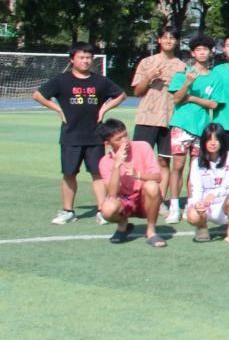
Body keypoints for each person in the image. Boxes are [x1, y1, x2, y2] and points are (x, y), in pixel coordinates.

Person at [34, 42, 125, 224]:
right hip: (71, 135)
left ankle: (102, 210)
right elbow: (38, 95)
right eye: (81, 57)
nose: (85, 61)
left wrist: (104, 109)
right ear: (72, 59)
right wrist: (58, 110)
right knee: (69, 173)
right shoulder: (62, 80)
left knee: (97, 174)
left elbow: (121, 95)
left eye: (88, 57)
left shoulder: (100, 81)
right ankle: (68, 211)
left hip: (95, 136)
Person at [166, 34, 221, 223]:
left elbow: (214, 104)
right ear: (193, 53)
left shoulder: (214, 77)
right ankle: (174, 206)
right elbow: (176, 99)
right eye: (198, 49)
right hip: (181, 125)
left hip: (202, 128)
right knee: (178, 166)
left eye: (205, 49)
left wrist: (192, 98)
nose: (202, 52)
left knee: (196, 169)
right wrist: (188, 83)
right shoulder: (183, 74)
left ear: (211, 52)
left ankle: (191, 203)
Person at [129, 26, 185, 199]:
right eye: (165, 37)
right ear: (159, 40)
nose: (168, 40)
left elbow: (182, 95)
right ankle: (137, 198)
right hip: (147, 118)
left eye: (172, 37)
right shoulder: (147, 62)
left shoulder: (182, 66)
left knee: (164, 161)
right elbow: (137, 92)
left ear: (177, 41)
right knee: (139, 160)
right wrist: (149, 76)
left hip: (170, 119)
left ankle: (159, 201)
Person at [96, 118, 165, 247]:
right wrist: (117, 165)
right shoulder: (105, 162)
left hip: (144, 199)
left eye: (125, 135)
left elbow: (158, 177)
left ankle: (151, 231)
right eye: (118, 139)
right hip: (125, 201)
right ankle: (123, 224)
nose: (125, 141)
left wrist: (138, 175)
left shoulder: (143, 146)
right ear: (107, 143)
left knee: (152, 186)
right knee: (108, 209)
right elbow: (112, 194)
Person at [185, 122, 229, 243]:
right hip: (206, 207)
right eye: (209, 139)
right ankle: (202, 226)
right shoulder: (196, 162)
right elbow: (196, 188)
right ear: (203, 141)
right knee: (192, 216)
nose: (212, 143)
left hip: (225, 205)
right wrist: (197, 203)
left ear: (222, 141)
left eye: (216, 139)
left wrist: (215, 194)